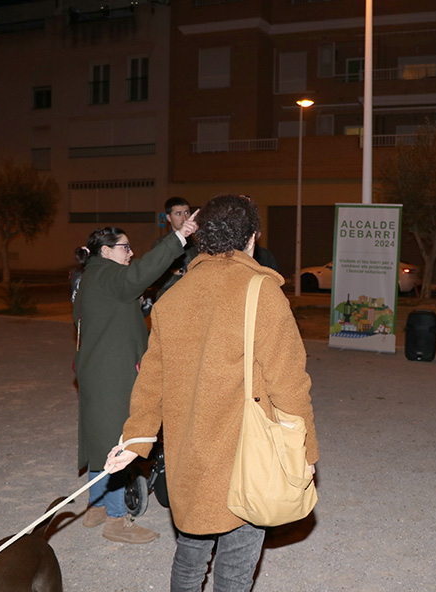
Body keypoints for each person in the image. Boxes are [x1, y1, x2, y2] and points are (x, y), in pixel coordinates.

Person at [105, 194, 318, 591]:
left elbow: (151, 382)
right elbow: (289, 383)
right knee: (235, 570)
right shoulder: (262, 291)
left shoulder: (172, 299)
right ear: (251, 238)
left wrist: (135, 440)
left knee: (189, 557)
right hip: (245, 457)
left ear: (201, 238)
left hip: (191, 456)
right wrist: (304, 454)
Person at [73, 216, 197, 544]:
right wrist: (179, 237)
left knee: (102, 440)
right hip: (112, 375)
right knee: (120, 441)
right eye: (125, 247)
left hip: (99, 372)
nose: (131, 253)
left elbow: (109, 312)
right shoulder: (108, 274)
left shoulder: (92, 277)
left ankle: (96, 507)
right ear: (105, 251)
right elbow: (140, 275)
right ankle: (116, 519)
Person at [148, 196, 200, 305]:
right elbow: (158, 277)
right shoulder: (161, 244)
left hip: (195, 299)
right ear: (168, 218)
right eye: (178, 214)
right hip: (170, 300)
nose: (184, 218)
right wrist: (185, 275)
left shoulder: (198, 242)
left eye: (186, 212)